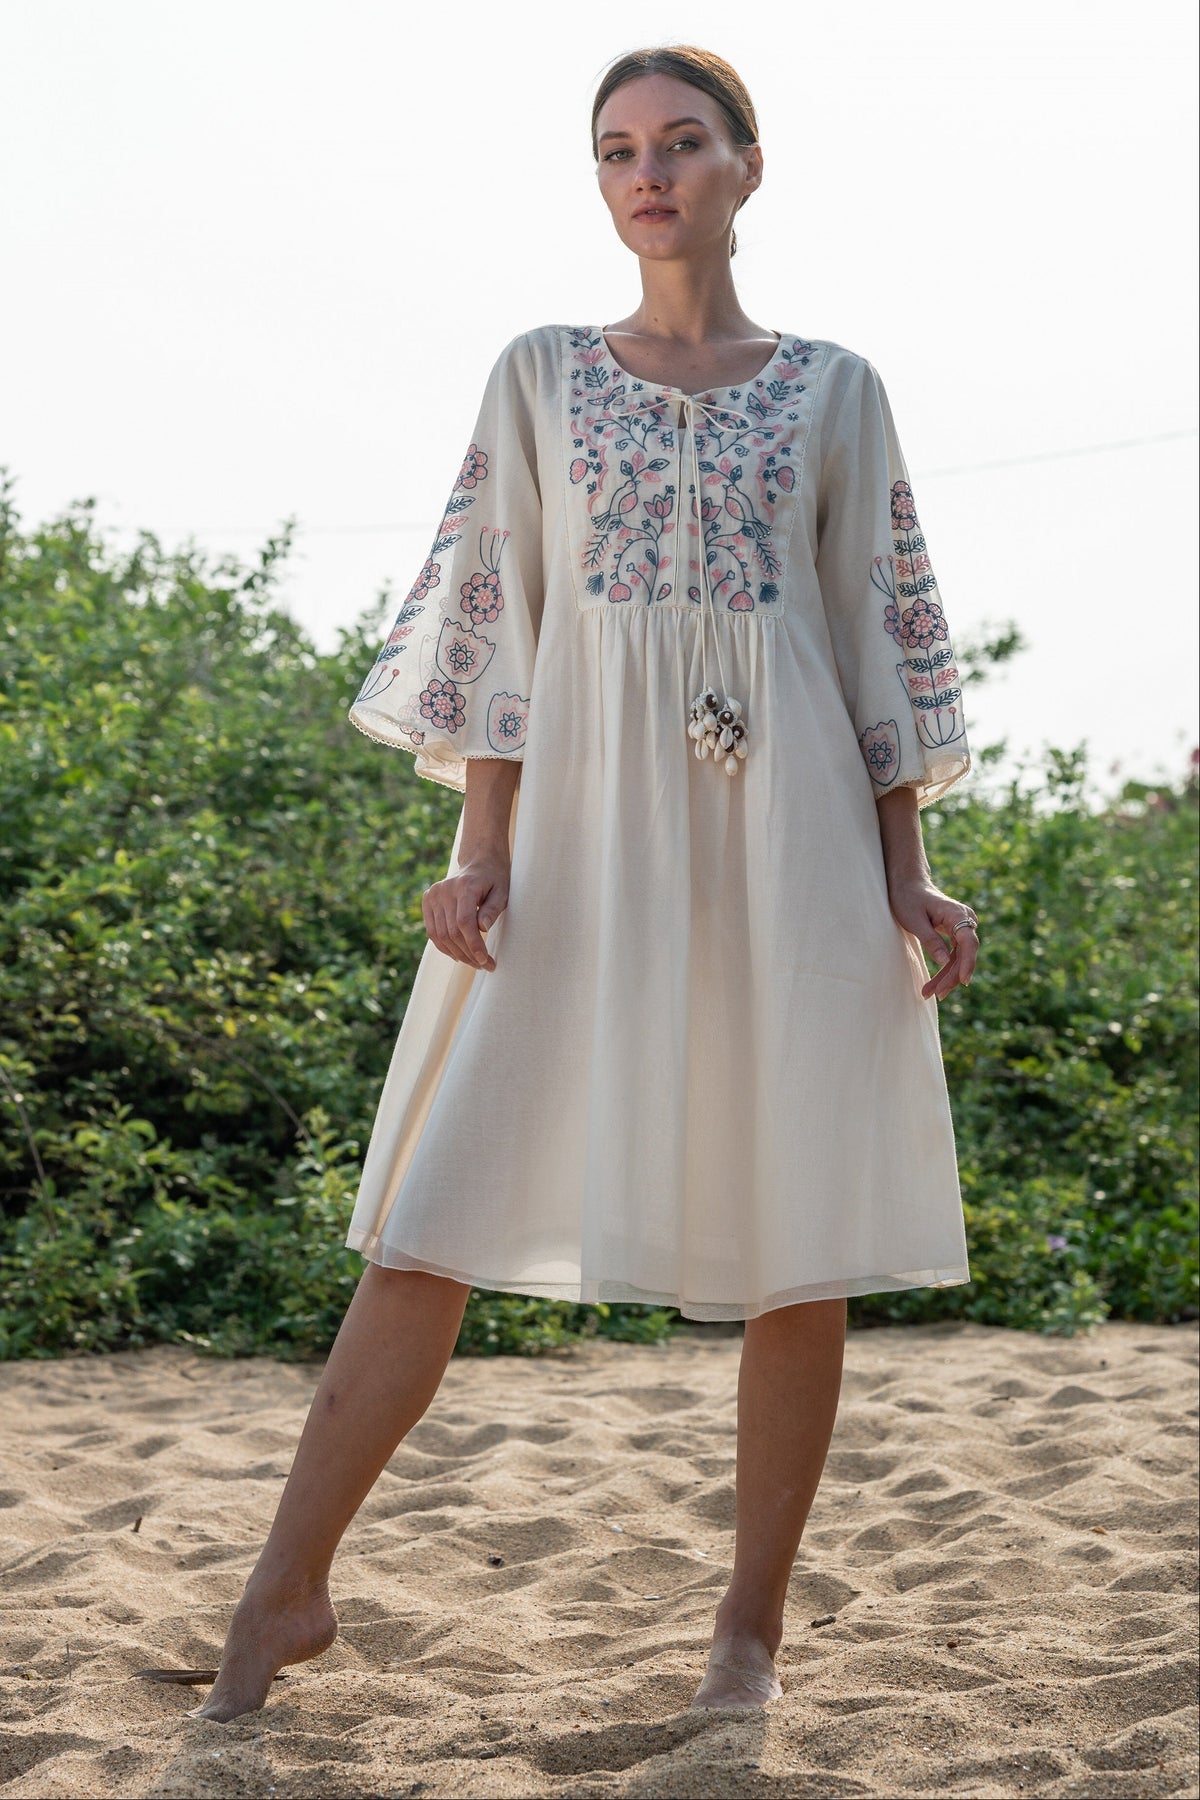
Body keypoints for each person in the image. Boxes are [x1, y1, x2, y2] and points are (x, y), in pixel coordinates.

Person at [194, 43, 979, 1724]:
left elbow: (875, 634)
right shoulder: (542, 373)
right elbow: (502, 610)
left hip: (794, 834)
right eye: (619, 150)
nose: (650, 174)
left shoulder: (836, 388)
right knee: (432, 1210)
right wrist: (481, 846)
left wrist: (910, 873)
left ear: (748, 168)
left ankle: (747, 1637)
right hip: (577, 827)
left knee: (801, 1234)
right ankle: (283, 1593)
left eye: (682, 144)